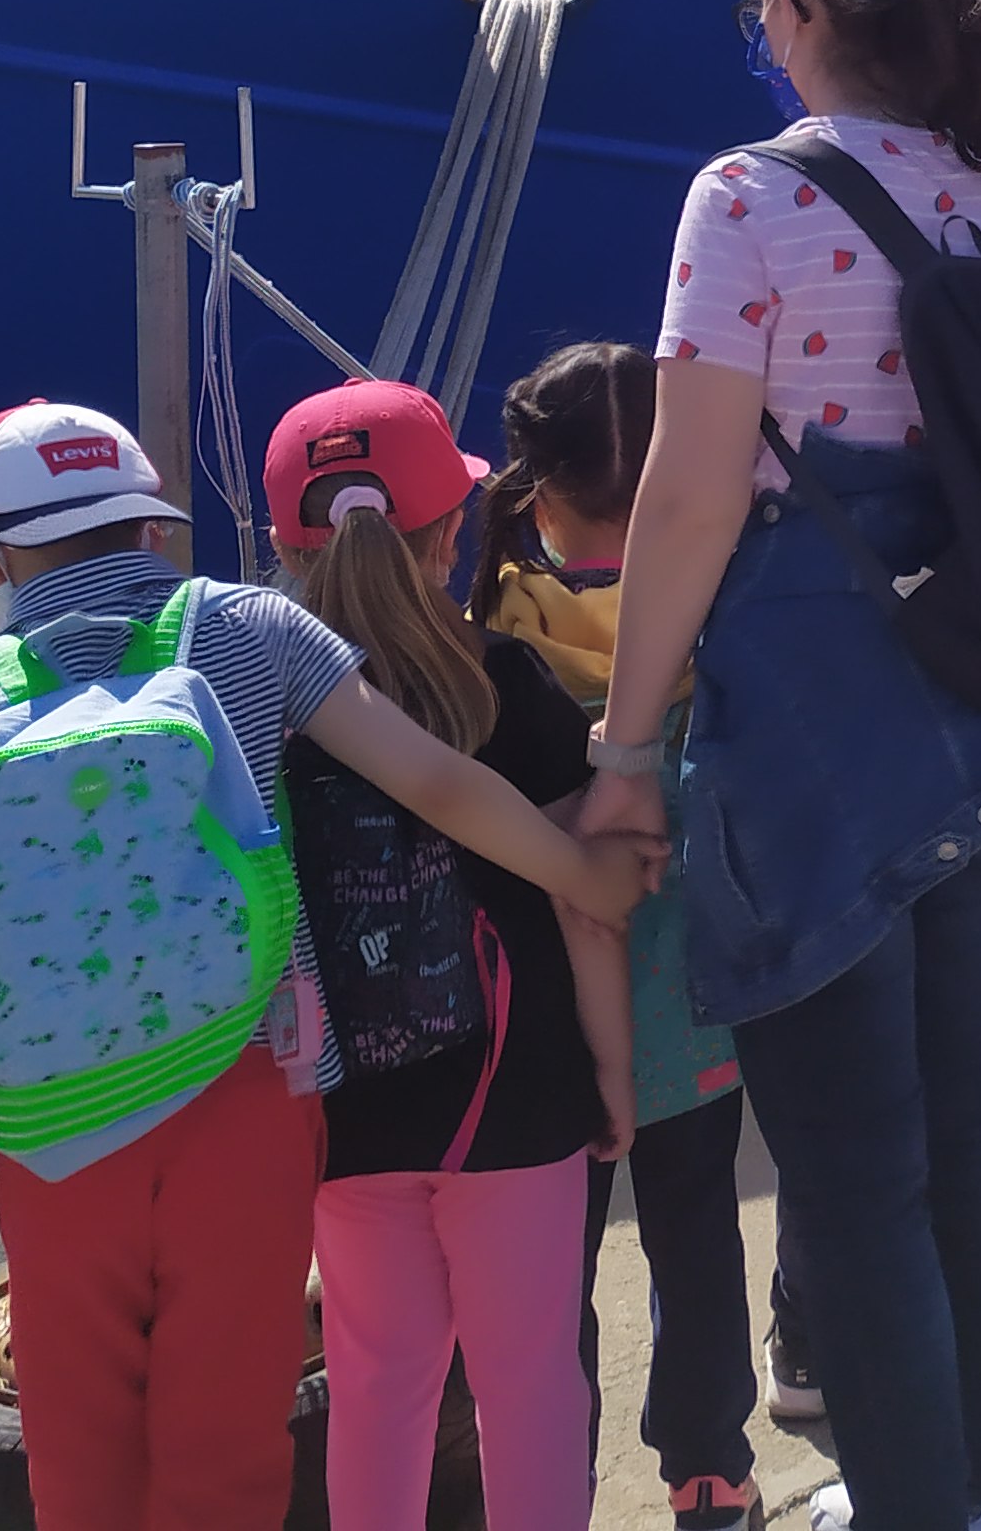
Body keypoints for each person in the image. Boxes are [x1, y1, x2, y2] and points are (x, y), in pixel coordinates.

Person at [0, 399, 650, 1531]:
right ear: (152, 529)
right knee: (230, 1437)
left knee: (78, 1442)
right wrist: (586, 874)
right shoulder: (247, 627)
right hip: (247, 1094)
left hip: (53, 1128)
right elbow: (437, 783)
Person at [579, 0, 981, 1531]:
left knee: (850, 1169)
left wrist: (624, 747)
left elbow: (690, 495)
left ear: (803, 11)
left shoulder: (751, 196)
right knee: (960, 1120)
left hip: (821, 722)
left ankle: (917, 1506)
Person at [273, 379, 633, 1531]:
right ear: (447, 535)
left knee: (378, 1387)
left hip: (342, 1105)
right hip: (515, 1099)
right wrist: (612, 1073)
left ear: (286, 548)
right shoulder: (506, 682)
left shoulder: (260, 706)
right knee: (529, 1383)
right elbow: (583, 911)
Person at [487, 344, 767, 1531]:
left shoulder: (496, 636)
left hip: (546, 1036)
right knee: (696, 1237)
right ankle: (710, 1473)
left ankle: (557, 1483)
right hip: (699, 1011)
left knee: (551, 1275)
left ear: (537, 488)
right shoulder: (725, 611)